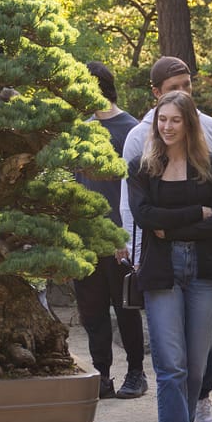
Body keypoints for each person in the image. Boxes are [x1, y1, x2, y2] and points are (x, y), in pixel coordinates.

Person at [119, 56, 212, 422]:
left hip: (210, 261)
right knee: (171, 362)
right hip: (161, 263)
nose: (182, 94)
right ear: (157, 94)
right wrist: (137, 247)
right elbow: (137, 208)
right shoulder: (138, 143)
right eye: (174, 89)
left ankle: (201, 393)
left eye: (187, 86)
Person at [126, 90, 212, 422]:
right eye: (161, 119)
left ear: (189, 122)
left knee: (196, 363)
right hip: (161, 272)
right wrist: (194, 213)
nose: (167, 127)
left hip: (205, 269)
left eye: (174, 119)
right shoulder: (144, 168)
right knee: (171, 365)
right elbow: (142, 215)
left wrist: (168, 225)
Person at [73, 61, 148, 399]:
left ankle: (136, 372)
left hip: (120, 239)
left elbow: (137, 189)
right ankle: (102, 374)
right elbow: (75, 184)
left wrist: (126, 237)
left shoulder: (131, 129)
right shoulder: (80, 130)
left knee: (126, 308)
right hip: (85, 239)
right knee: (92, 311)